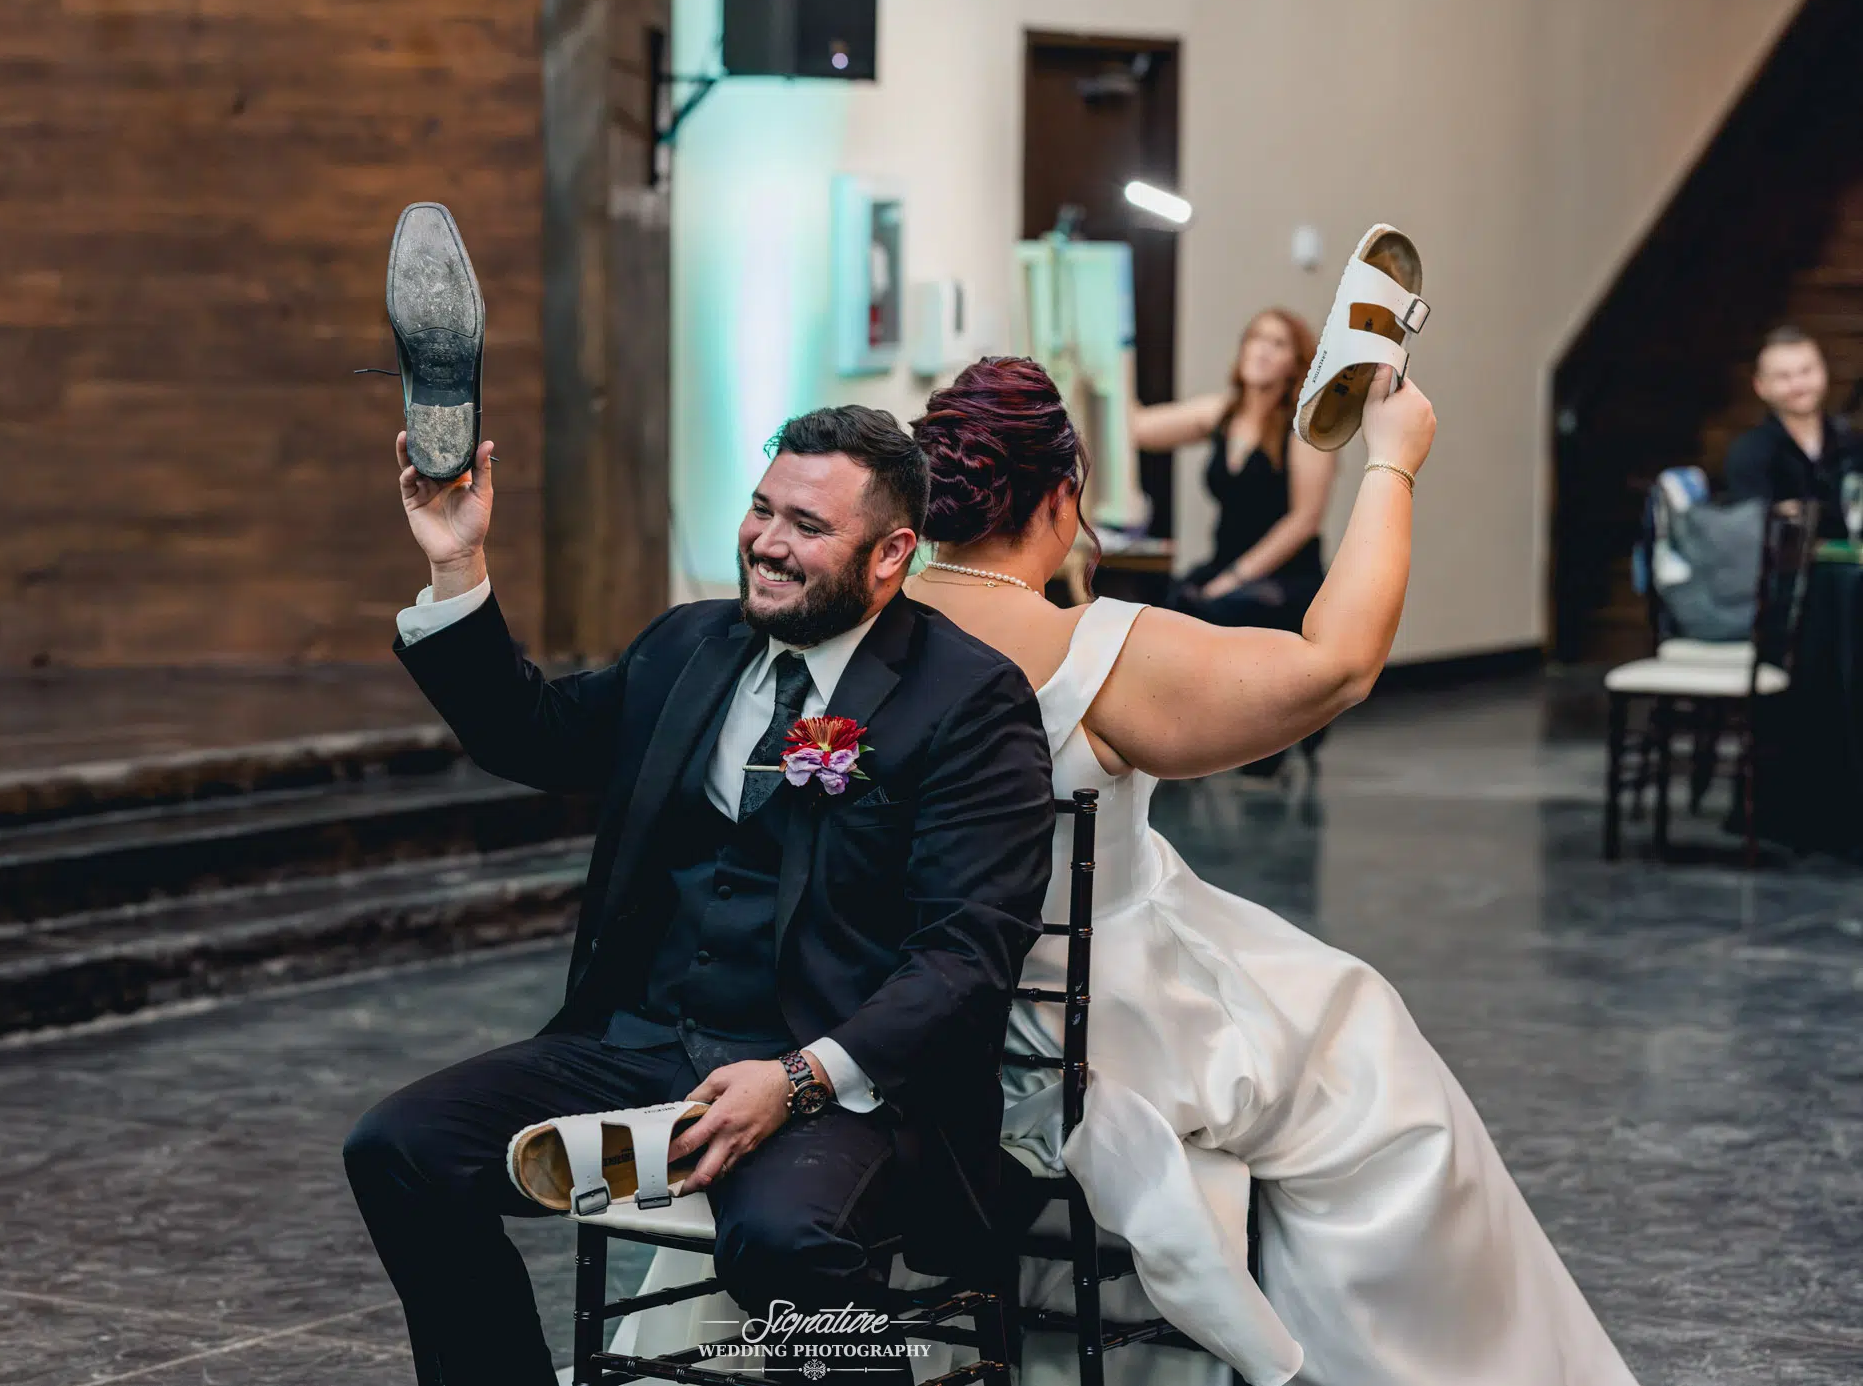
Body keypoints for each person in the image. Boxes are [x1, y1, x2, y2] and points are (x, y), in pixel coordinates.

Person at [606, 356, 1640, 1386]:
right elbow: (1339, 664)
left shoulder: (842, 623)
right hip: (1074, 1019)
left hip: (840, 1004)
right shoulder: (1091, 653)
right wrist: (1393, 463)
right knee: (1364, 1050)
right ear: (1062, 499)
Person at [340, 402, 1057, 1386]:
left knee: (784, 1243)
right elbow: (536, 736)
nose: (766, 542)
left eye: (806, 526)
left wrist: (800, 1076)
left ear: (891, 554)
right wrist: (457, 563)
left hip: (843, 1089)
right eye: (762, 510)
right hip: (648, 1050)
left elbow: (967, 955)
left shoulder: (966, 699)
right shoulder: (693, 648)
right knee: (400, 1150)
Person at [1129, 308, 1331, 632]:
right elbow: (1138, 429)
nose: (1262, 349)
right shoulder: (1223, 414)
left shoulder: (1304, 429)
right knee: (1165, 614)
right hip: (1223, 565)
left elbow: (1304, 522)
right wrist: (1114, 362)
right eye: (1256, 338)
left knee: (1207, 615)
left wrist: (1233, 579)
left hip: (1281, 578)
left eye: (1277, 344)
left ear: (1294, 365)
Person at [1723, 325, 1861, 535]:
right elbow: (1747, 536)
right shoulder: (1749, 453)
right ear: (1760, 387)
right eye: (1783, 376)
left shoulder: (1852, 446)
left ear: (1824, 372)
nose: (1798, 384)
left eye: (1806, 371)